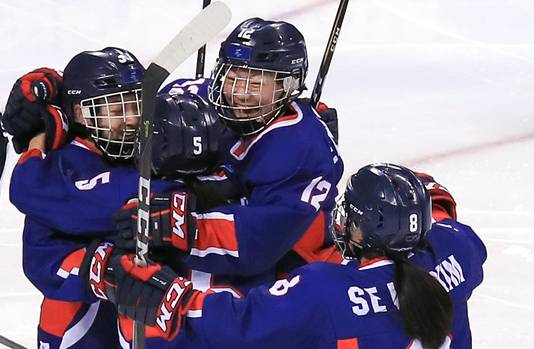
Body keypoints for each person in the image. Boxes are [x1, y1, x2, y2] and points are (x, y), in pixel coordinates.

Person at [108, 163, 486, 349]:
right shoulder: (455, 250)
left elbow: (237, 323)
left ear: (361, 230)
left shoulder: (327, 290)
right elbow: (442, 212)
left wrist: (167, 296)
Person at [1, 48, 189, 349]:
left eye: (135, 106)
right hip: (81, 327)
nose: (130, 120)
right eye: (116, 111)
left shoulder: (138, 148)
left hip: (141, 312)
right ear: (80, 114)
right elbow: (107, 197)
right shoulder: (65, 168)